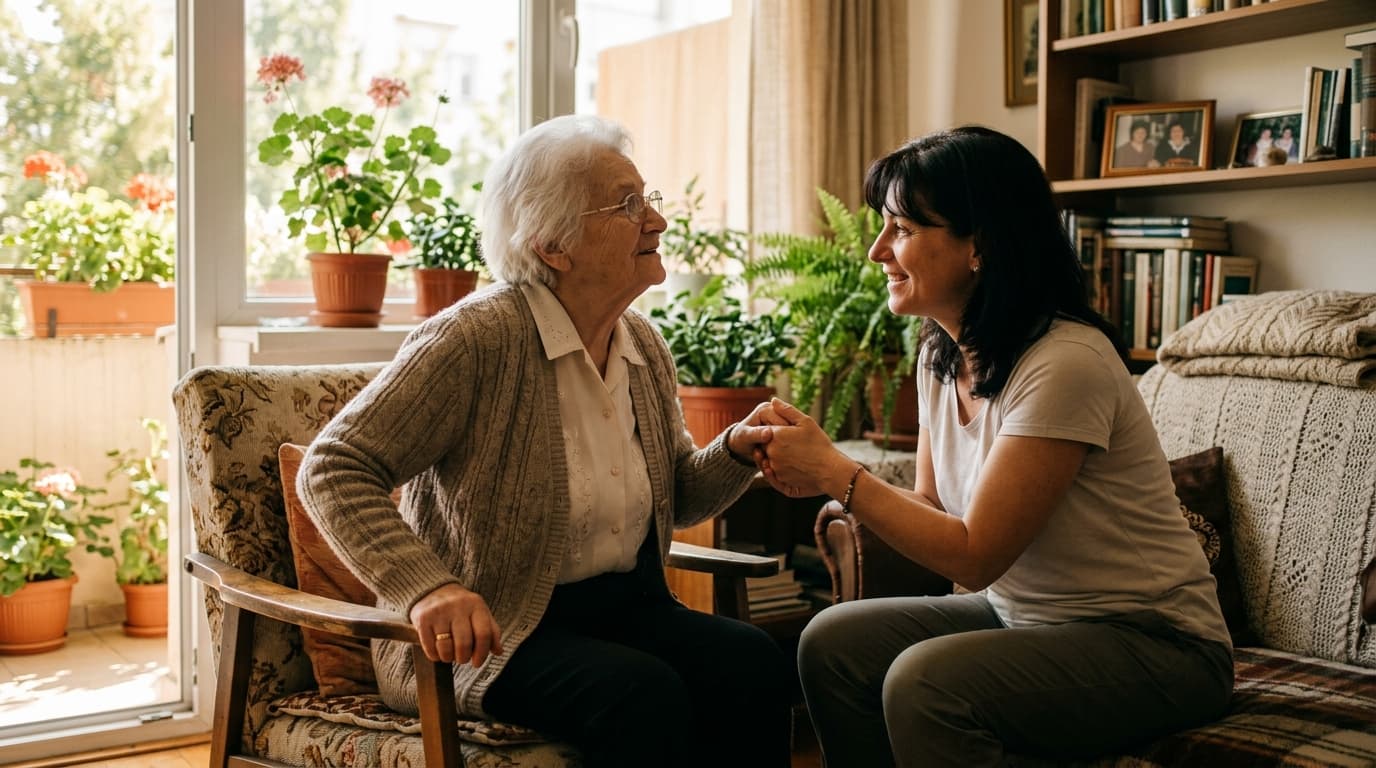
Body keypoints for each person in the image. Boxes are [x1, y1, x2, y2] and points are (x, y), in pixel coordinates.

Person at [298, 113, 792, 768]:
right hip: (493, 635)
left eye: (650, 200)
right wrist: (427, 588)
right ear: (553, 245)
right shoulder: (475, 339)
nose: (657, 221)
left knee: (753, 663)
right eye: (628, 205)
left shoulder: (641, 341)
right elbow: (334, 467)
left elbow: (677, 493)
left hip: (626, 609)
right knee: (640, 695)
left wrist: (734, 450)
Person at [752, 125, 1234, 766]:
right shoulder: (941, 355)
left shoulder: (1066, 362)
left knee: (924, 681)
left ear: (978, 245)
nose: (876, 252)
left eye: (902, 229)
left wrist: (836, 471)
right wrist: (822, 475)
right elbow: (934, 508)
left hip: (1158, 643)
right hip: (1024, 616)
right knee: (829, 641)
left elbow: (975, 556)